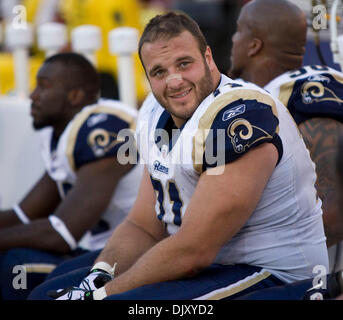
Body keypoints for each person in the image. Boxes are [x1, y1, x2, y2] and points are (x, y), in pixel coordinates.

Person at [28, 11, 327, 301]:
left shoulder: (242, 113)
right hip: (207, 262)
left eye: (184, 64)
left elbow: (195, 251)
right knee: (46, 293)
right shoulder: (154, 110)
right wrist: (100, 277)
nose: (174, 81)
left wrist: (104, 294)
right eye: (159, 71)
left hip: (273, 271)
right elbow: (143, 224)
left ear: (208, 58)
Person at [0, 52, 142, 299]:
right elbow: (23, 215)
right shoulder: (64, 134)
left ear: (74, 95)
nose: (33, 95)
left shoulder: (102, 126)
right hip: (103, 252)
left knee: (17, 263)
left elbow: (62, 233)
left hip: (131, 255)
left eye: (43, 86)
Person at [227, 0, 343, 299]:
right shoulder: (312, 84)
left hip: (316, 276)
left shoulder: (292, 97)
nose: (232, 39)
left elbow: (331, 214)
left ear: (254, 45)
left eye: (238, 32)